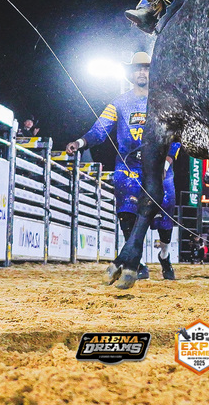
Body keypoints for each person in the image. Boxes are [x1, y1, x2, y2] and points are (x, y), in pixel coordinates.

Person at [64, 52, 180, 281]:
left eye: (146, 68)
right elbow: (100, 130)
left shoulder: (165, 102)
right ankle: (137, 262)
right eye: (137, 68)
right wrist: (80, 142)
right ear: (131, 74)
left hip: (159, 168)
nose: (142, 72)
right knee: (127, 211)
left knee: (165, 218)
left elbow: (176, 135)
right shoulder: (119, 103)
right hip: (129, 167)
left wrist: (167, 162)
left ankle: (164, 255)